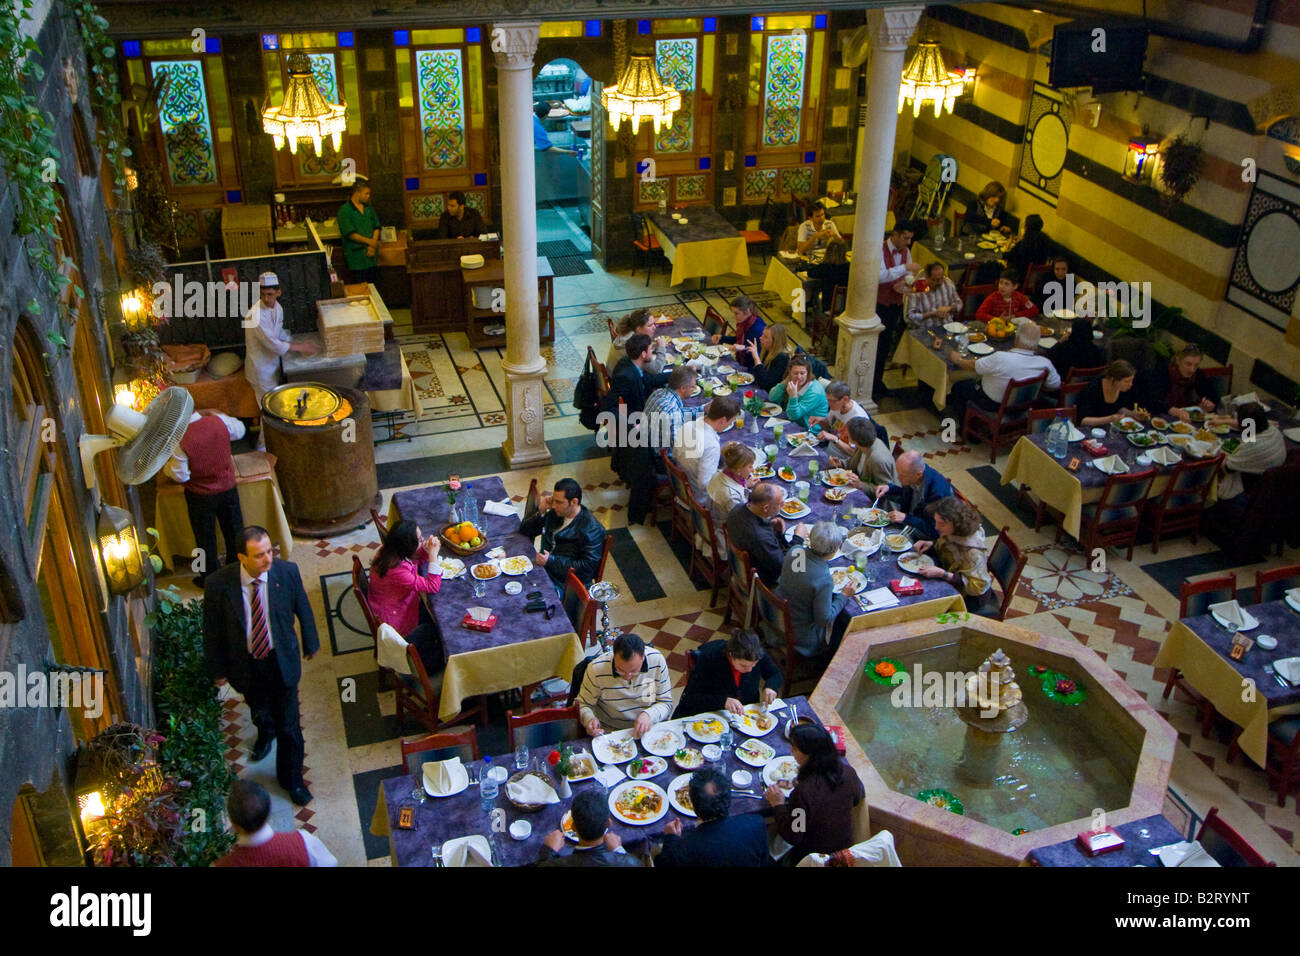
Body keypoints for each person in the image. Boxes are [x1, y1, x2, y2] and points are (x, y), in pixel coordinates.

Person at [203, 526, 319, 806]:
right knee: (258, 705)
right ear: (241, 557)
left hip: (281, 660)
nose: (267, 559)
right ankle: (264, 731)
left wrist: (310, 641)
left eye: (269, 551)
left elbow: (302, 606)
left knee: (290, 726)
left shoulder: (286, 572)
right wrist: (217, 671)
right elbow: (212, 631)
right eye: (259, 555)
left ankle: (292, 779)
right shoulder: (219, 584)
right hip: (246, 663)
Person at [163, 408, 247, 587]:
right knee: (235, 531)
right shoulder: (219, 421)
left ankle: (206, 577)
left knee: (203, 539)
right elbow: (240, 430)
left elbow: (181, 476)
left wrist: (167, 468)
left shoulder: (180, 439)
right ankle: (238, 571)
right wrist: (220, 414)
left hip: (199, 495)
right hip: (228, 488)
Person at [765, 723, 864, 866]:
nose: (791, 750)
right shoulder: (848, 772)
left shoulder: (804, 793)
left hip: (816, 859)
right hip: (845, 850)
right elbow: (855, 799)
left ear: (811, 755)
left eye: (795, 748)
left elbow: (793, 835)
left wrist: (777, 804)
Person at [243, 272, 319, 449]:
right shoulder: (256, 315)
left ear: (278, 293)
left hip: (271, 366)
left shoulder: (278, 308)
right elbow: (272, 344)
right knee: (269, 410)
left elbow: (279, 333)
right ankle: (263, 447)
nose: (266, 298)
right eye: (262, 294)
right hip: (260, 370)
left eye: (270, 294)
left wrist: (295, 342)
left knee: (272, 407)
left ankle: (272, 441)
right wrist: (301, 348)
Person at [606, 332, 671, 524]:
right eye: (651, 349)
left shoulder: (632, 366)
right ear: (643, 353)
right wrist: (629, 423)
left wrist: (672, 377)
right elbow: (608, 406)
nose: (653, 352)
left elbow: (647, 382)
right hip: (635, 430)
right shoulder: (626, 375)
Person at [366, 520, 443, 672]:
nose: (423, 541)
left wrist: (427, 550)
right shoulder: (396, 570)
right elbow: (432, 586)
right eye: (419, 540)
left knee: (435, 616)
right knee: (437, 626)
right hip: (397, 621)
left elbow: (416, 559)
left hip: (394, 605)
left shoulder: (390, 552)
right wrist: (433, 555)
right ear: (407, 546)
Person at [657, 768, 769, 867]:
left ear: (694, 805)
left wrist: (670, 838)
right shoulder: (756, 823)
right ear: (729, 798)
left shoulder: (686, 847)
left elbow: (663, 863)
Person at [948, 321, 1060, 419]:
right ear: (1037, 343)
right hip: (1026, 405)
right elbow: (1055, 385)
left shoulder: (1001, 358)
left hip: (992, 403)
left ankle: (966, 431)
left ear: (1016, 339)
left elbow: (975, 367)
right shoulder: (1045, 363)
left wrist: (958, 360)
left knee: (960, 387)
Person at [213, 780, 337, 867]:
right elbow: (330, 864)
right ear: (269, 810)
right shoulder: (304, 843)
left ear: (233, 822)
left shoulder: (223, 864)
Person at [778, 521, 855, 659]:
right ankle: (828, 662)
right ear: (836, 549)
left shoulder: (795, 551)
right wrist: (844, 595)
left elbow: (801, 575)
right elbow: (823, 620)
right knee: (843, 625)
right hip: (799, 633)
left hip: (778, 617)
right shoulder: (823, 579)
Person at [911, 497, 998, 616]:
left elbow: (976, 587)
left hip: (971, 598)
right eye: (936, 521)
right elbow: (947, 546)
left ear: (957, 523)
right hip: (953, 577)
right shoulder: (954, 532)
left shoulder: (972, 552)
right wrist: (931, 544)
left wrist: (942, 574)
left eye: (941, 524)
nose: (936, 527)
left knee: (924, 606)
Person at [576, 633, 672, 737]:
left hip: (647, 729)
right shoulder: (596, 669)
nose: (627, 677)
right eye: (620, 670)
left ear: (643, 657)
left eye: (634, 671)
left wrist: (649, 715)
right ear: (613, 657)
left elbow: (665, 702)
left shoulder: (657, 661)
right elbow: (582, 704)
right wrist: (589, 719)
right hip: (610, 731)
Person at [519, 478, 605, 591]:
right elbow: (525, 531)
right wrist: (541, 510)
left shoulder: (592, 530)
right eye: (553, 500)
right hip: (545, 569)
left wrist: (551, 561)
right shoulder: (556, 514)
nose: (553, 505)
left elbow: (587, 568)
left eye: (559, 502)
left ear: (574, 502)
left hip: (566, 583)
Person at [672, 629, 781, 718]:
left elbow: (775, 674)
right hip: (713, 713)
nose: (749, 670)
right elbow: (692, 697)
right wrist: (723, 701)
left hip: (744, 713)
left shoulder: (757, 654)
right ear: (731, 655)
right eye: (743, 665)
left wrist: (771, 686)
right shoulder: (710, 659)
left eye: (754, 665)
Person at [725, 482, 808, 588]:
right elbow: (787, 566)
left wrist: (777, 532)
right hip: (765, 581)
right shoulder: (760, 537)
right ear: (765, 508)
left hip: (748, 564)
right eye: (779, 503)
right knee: (808, 572)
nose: (783, 505)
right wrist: (798, 539)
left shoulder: (737, 509)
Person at [876, 219, 923, 394]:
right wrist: (904, 267)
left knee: (886, 342)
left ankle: (878, 381)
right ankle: (872, 382)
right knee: (877, 344)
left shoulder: (906, 251)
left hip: (895, 303)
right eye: (906, 238)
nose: (908, 242)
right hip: (878, 303)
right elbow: (880, 276)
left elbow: (908, 275)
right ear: (895, 234)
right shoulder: (879, 249)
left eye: (910, 239)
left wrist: (905, 283)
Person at [538, 789, 641, 867]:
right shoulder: (631, 863)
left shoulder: (561, 864)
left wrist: (548, 851)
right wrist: (619, 851)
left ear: (573, 827)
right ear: (608, 824)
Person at [873, 450, 954, 540]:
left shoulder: (937, 493)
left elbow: (934, 530)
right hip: (909, 523)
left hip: (924, 537)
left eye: (902, 475)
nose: (898, 479)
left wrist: (906, 518)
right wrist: (889, 489)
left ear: (918, 474)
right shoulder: (915, 475)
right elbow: (907, 495)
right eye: (898, 473)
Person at [1218, 402, 1287, 505]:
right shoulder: (1272, 430)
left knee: (1213, 475)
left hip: (1249, 494)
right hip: (1271, 490)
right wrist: (1223, 421)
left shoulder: (1254, 446)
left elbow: (1227, 468)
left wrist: (1217, 452)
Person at [673, 395, 738, 501]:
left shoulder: (688, 425)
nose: (730, 424)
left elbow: (675, 454)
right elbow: (704, 484)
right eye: (731, 422)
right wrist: (731, 478)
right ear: (722, 420)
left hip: (681, 484)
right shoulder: (711, 446)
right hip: (698, 498)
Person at [1143, 344, 1220, 422]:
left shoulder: (1197, 375)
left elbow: (1214, 397)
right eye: (1188, 364)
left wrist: (1210, 404)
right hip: (1160, 418)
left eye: (1196, 365)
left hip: (1187, 420)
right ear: (1178, 360)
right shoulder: (1162, 371)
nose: (1192, 370)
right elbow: (1151, 400)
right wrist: (1170, 409)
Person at [743, 323, 829, 391]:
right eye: (762, 335)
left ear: (775, 341)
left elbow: (766, 384)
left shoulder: (782, 357)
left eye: (765, 337)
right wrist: (745, 348)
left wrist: (756, 359)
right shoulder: (768, 349)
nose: (761, 338)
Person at [707, 442, 757, 552]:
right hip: (725, 537)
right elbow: (743, 523)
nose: (752, 470)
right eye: (750, 466)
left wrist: (745, 485)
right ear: (738, 469)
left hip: (714, 521)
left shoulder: (718, 475)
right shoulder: (732, 496)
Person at [644, 366, 699, 457]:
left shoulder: (658, 392)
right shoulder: (673, 412)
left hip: (646, 445)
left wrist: (703, 409)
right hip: (660, 457)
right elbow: (679, 448)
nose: (694, 389)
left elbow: (679, 412)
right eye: (693, 387)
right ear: (683, 388)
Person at [830, 417, 898, 488]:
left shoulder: (878, 459)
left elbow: (885, 490)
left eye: (848, 433)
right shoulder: (863, 444)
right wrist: (841, 463)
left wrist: (861, 485)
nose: (846, 434)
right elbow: (854, 463)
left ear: (853, 440)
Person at [338, 181, 382, 284]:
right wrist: (369, 241)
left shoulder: (368, 208)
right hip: (356, 257)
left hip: (371, 256)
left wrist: (372, 245)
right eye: (366, 193)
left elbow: (376, 226)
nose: (368, 196)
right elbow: (350, 234)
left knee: (374, 285)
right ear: (357, 193)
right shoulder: (345, 210)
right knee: (360, 286)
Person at [1075, 360, 1140, 428]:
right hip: (1091, 429)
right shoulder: (1093, 389)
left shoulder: (1122, 389)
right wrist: (1110, 419)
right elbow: (1082, 421)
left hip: (1109, 428)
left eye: (1132, 380)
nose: (1130, 384)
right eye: (1127, 381)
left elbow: (1118, 408)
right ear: (1113, 379)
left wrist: (1132, 414)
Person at [768, 353, 828, 428]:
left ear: (808, 373)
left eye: (802, 373)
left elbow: (793, 416)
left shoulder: (814, 392)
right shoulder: (792, 381)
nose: (799, 377)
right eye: (795, 373)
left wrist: (793, 397)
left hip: (809, 430)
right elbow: (772, 397)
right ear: (790, 373)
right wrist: (785, 382)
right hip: (794, 422)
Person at [809, 380, 868, 450]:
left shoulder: (857, 418)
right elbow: (828, 427)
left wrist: (835, 439)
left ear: (845, 399)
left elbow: (854, 453)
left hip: (843, 458)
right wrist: (820, 420)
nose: (828, 403)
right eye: (827, 399)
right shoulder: (836, 407)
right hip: (830, 449)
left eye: (832, 401)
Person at [712, 294, 766, 367]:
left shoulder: (757, 329)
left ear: (747, 311)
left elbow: (759, 355)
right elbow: (739, 340)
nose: (734, 317)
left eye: (737, 313)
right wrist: (722, 338)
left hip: (752, 367)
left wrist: (743, 348)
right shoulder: (744, 323)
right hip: (742, 361)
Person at [606, 308, 664, 374]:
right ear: (638, 329)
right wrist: (661, 346)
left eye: (654, 324)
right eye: (650, 325)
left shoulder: (628, 332)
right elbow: (656, 369)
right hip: (619, 380)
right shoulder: (636, 345)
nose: (654, 327)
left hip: (613, 372)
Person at [1047, 317, 1104, 382]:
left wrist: (1060, 342)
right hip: (1086, 386)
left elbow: (1048, 358)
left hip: (1063, 385)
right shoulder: (1096, 351)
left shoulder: (1064, 348)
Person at [804, 237, 850, 313]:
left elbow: (811, 272)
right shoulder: (849, 267)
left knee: (812, 290)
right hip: (846, 309)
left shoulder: (826, 268)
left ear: (828, 251)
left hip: (828, 308)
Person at [1002, 213, 1053, 282]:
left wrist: (1005, 249)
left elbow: (1009, 256)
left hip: (1019, 279)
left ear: (1026, 227)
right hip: (1035, 281)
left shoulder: (1025, 243)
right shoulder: (1045, 241)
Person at [974, 270, 1040, 322]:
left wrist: (1015, 316)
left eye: (1007, 284)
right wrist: (997, 319)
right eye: (1001, 282)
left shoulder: (1019, 297)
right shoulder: (992, 298)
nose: (1002, 286)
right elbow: (979, 314)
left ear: (1015, 286)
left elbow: (1034, 310)